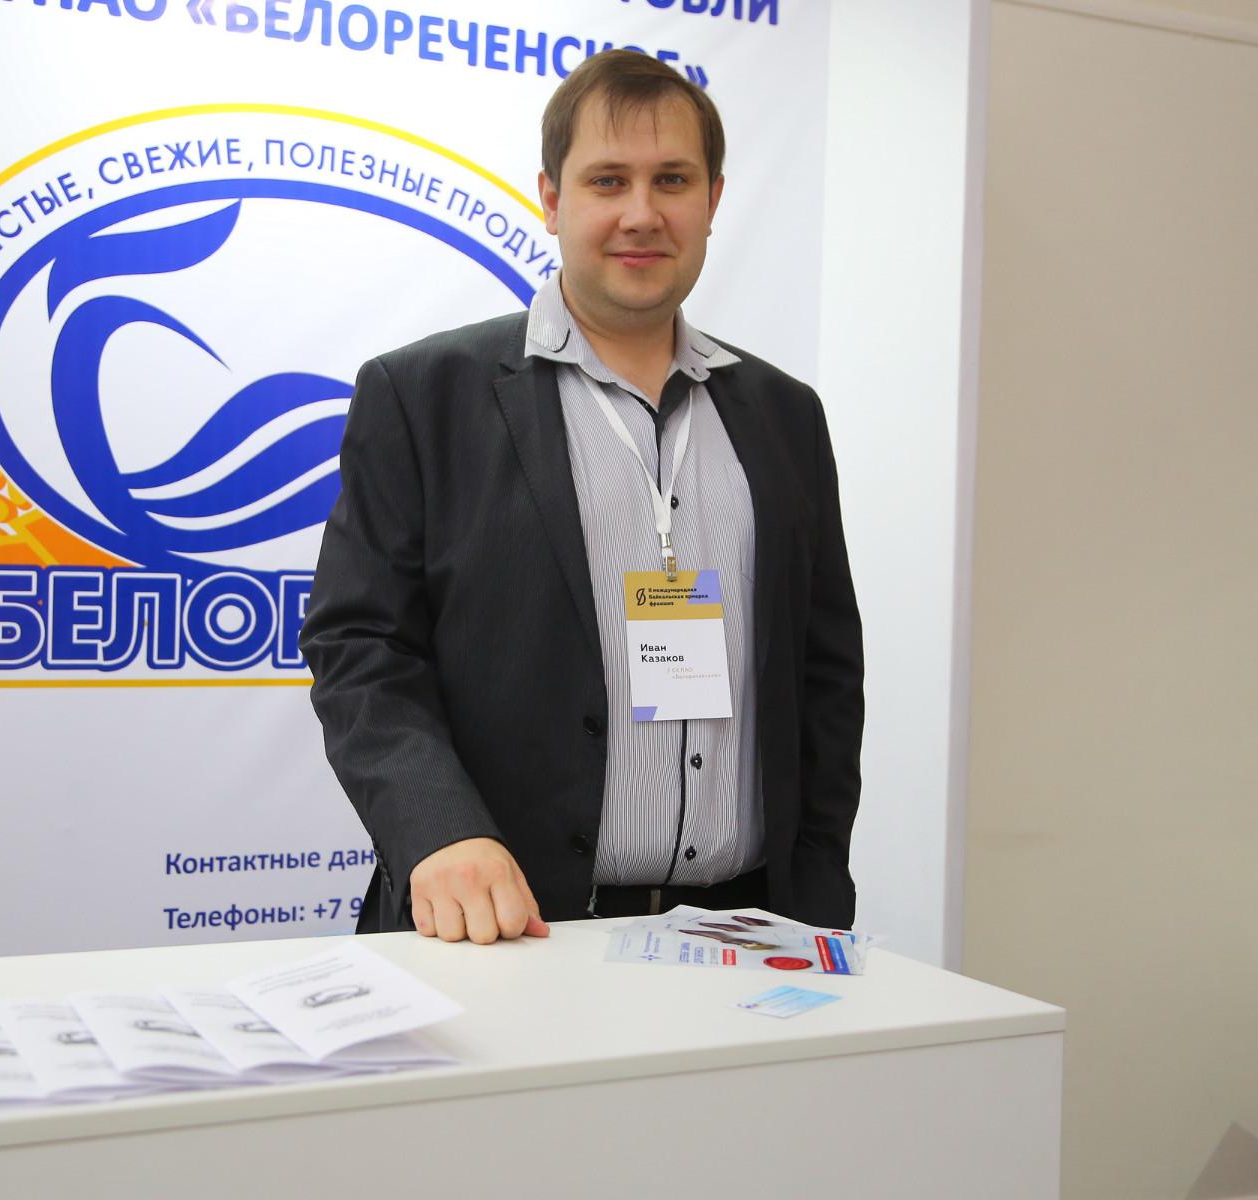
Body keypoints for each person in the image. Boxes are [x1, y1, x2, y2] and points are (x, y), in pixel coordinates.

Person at [302, 50, 864, 945]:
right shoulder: (424, 396)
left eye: (672, 180)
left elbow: (826, 675)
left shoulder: (786, 415)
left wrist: (821, 884)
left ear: (713, 200)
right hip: (506, 934)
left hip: (750, 937)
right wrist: (436, 828)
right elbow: (361, 647)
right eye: (608, 180)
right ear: (552, 199)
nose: (642, 213)